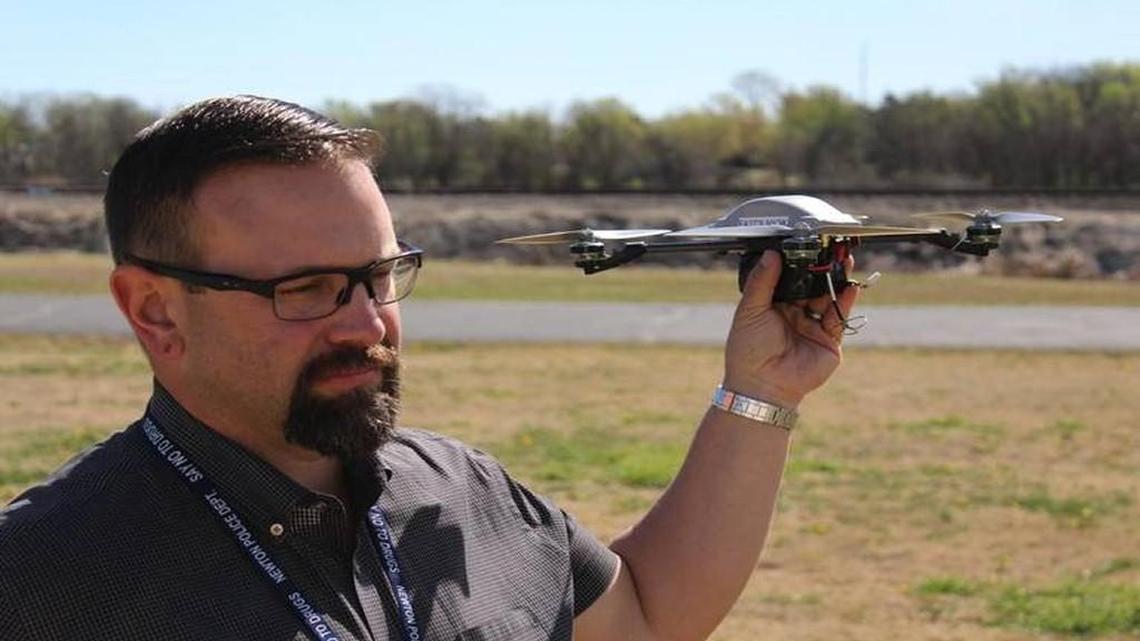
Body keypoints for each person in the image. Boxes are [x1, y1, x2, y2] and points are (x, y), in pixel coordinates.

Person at [0, 96, 858, 641]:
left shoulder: (460, 490)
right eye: (305, 289)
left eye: (379, 275)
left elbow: (648, 614)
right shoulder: (43, 581)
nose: (368, 321)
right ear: (155, 310)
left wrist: (761, 392)